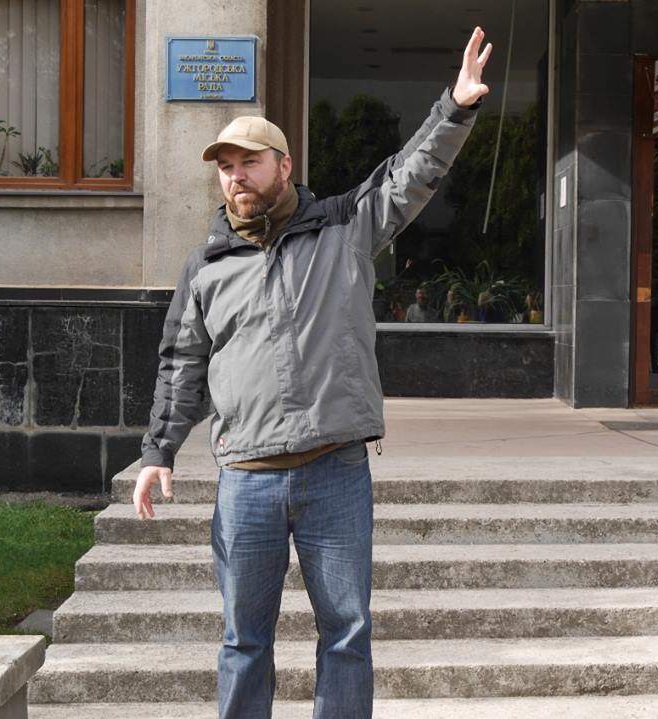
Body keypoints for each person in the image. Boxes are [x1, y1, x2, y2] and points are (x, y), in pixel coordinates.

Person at [131, 27, 492, 719]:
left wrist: (456, 106)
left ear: (284, 165)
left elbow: (407, 176)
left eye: (249, 162)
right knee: (244, 639)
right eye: (225, 167)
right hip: (247, 481)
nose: (236, 176)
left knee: (347, 635)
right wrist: (158, 451)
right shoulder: (206, 266)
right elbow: (182, 362)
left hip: (335, 473)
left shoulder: (343, 228)